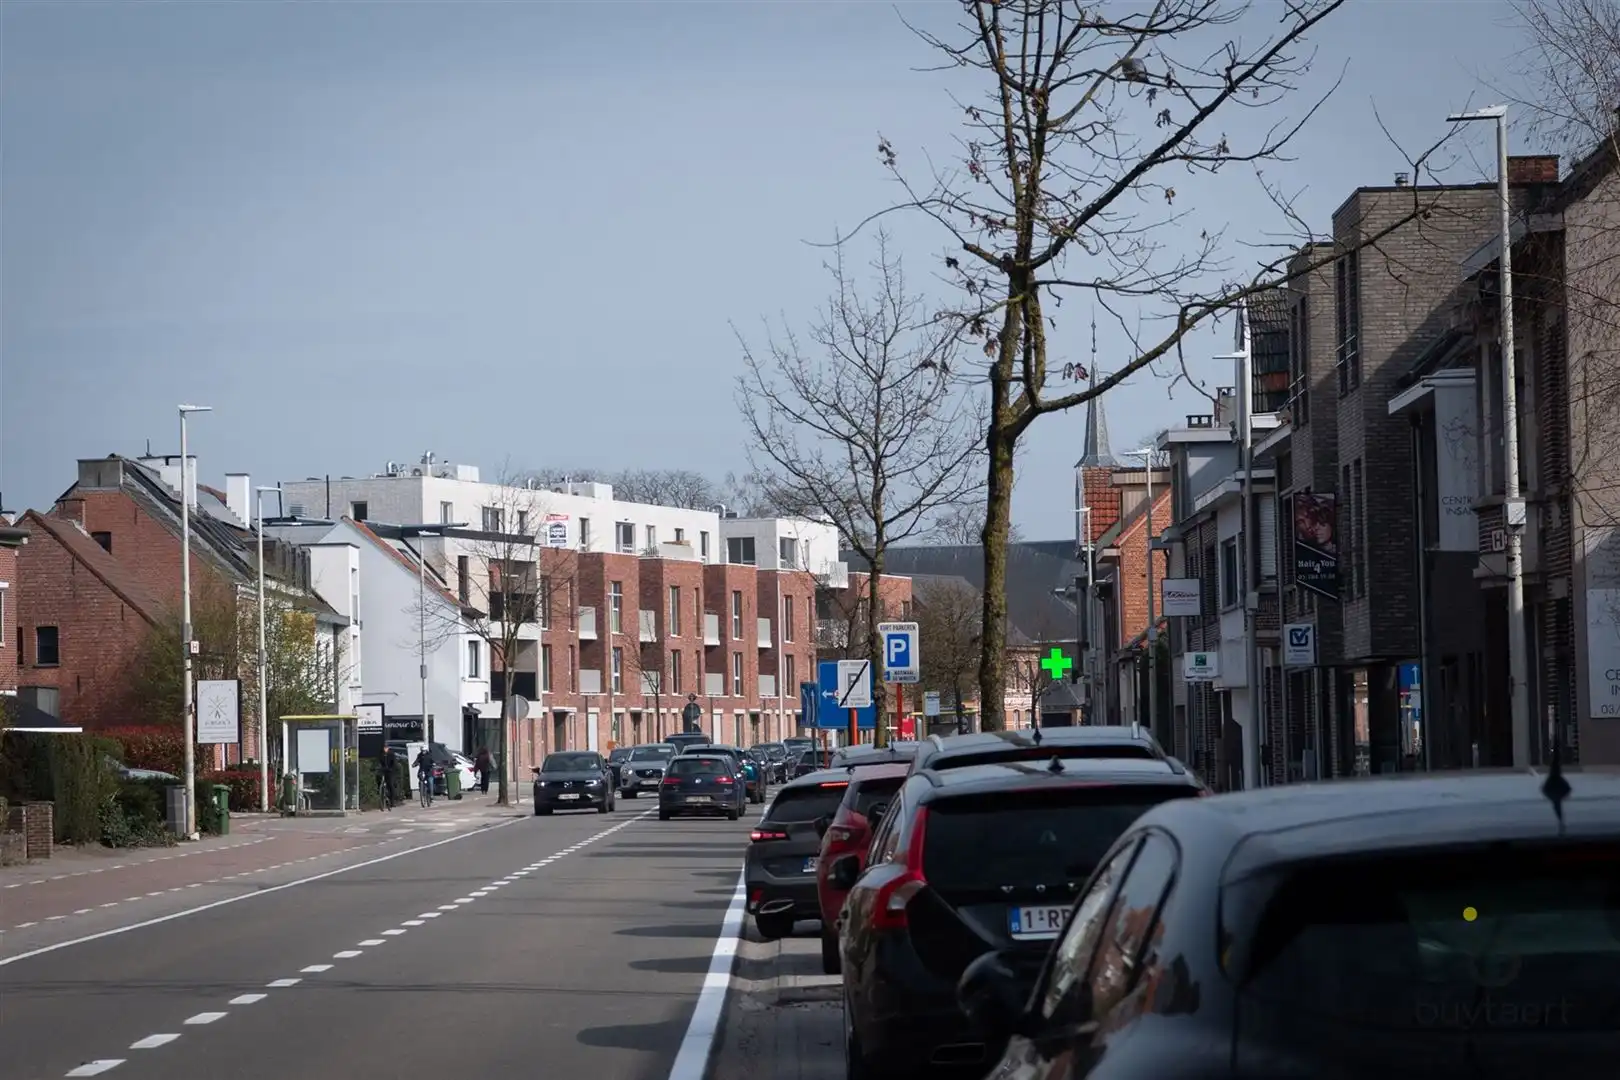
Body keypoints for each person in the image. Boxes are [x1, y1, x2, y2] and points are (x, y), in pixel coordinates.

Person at [378, 745, 397, 809]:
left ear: (388, 748)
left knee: (390, 785)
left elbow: (394, 763)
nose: (385, 749)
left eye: (386, 748)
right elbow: (380, 762)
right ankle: (382, 792)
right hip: (383, 770)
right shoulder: (381, 754)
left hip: (390, 771)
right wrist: (379, 767)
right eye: (384, 748)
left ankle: (392, 802)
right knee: (380, 781)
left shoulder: (391, 754)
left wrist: (391, 768)